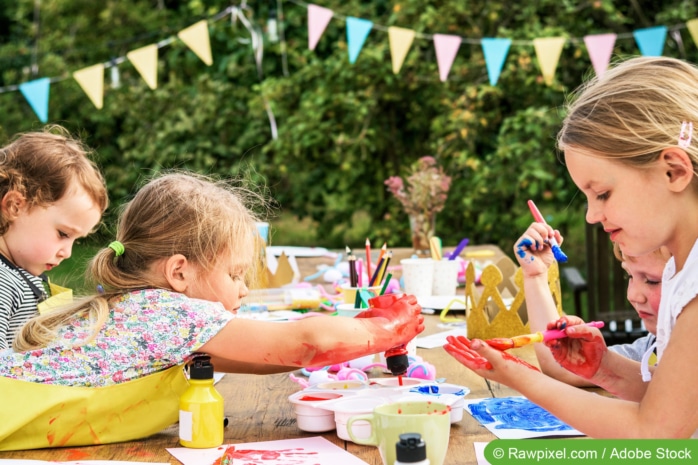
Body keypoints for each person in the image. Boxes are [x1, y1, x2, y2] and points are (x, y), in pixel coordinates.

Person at [0, 172, 424, 450]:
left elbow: (260, 359)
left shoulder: (139, 306)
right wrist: (388, 328)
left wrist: (362, 335)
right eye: (236, 274)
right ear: (179, 271)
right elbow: (304, 344)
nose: (244, 289)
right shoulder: (171, 312)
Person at [444, 56, 698, 438]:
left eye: (603, 193)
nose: (591, 216)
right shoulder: (683, 270)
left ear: (673, 171)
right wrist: (603, 370)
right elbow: (676, 403)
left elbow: (654, 434)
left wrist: (517, 376)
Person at [515, 222, 669, 388]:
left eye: (652, 281)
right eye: (629, 276)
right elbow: (564, 369)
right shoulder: (654, 347)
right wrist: (535, 276)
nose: (632, 296)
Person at [0, 126, 108, 350]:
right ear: (14, 206)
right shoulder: (3, 282)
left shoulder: (17, 273)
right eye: (63, 234)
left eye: (75, 240)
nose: (67, 252)